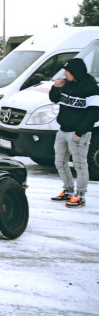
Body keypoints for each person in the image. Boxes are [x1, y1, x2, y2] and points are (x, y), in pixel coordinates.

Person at [48, 57, 98, 208]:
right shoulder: (67, 84)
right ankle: (68, 190)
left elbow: (94, 113)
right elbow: (54, 99)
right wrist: (56, 87)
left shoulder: (91, 88)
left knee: (80, 164)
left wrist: (80, 132)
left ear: (75, 72)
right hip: (63, 130)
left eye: (67, 71)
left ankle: (80, 195)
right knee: (60, 162)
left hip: (78, 133)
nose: (64, 73)